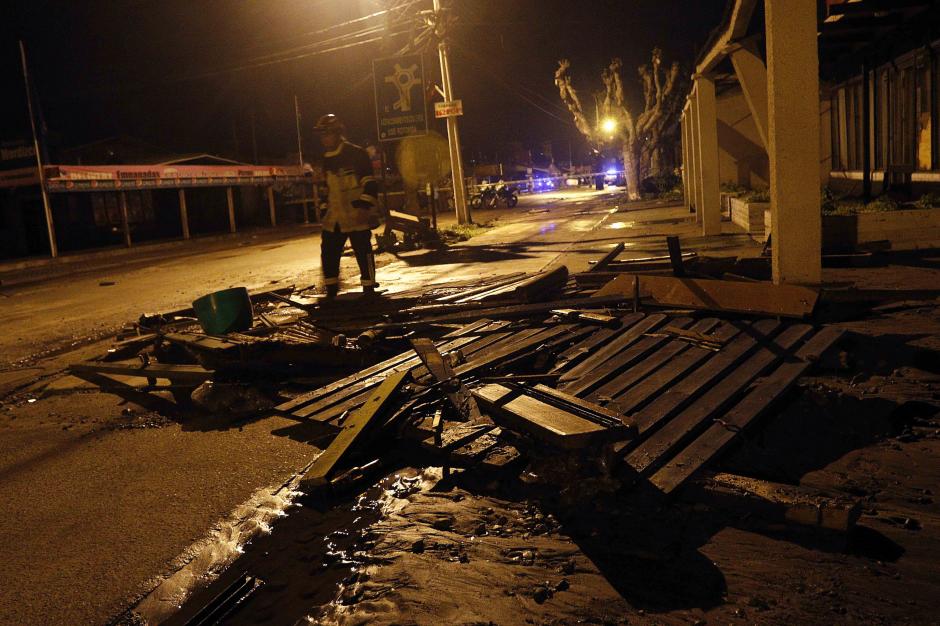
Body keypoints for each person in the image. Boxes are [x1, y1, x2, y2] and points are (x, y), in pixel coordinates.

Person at [314, 113, 380, 299]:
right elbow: (326, 189)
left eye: (327, 134)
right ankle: (331, 292)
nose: (324, 139)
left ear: (337, 133)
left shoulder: (356, 154)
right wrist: (324, 209)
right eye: (322, 135)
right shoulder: (326, 159)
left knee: (363, 251)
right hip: (334, 218)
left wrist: (364, 208)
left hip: (355, 214)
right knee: (328, 252)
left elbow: (370, 184)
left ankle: (369, 289)